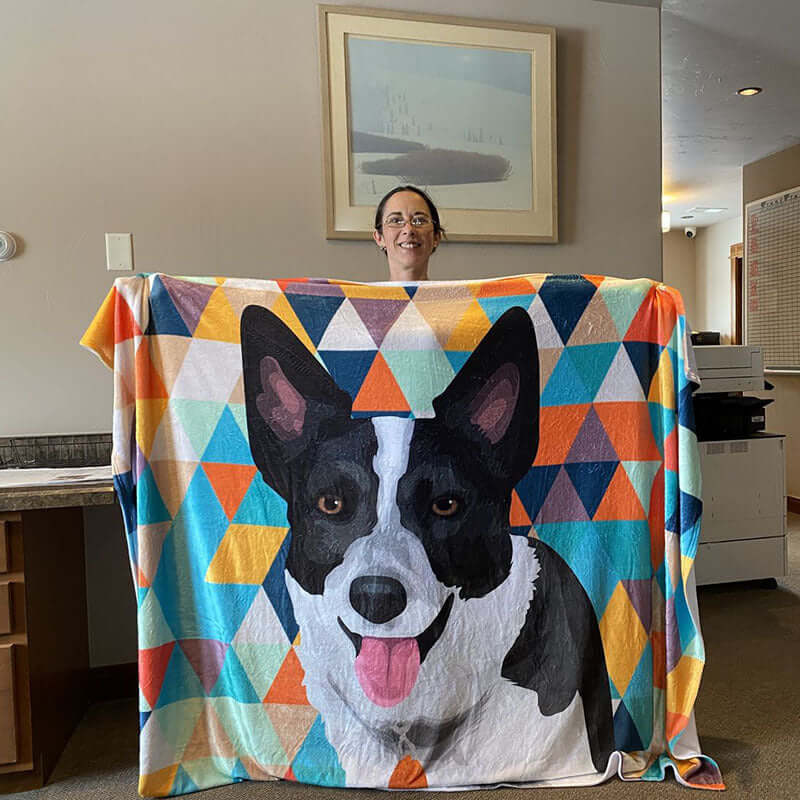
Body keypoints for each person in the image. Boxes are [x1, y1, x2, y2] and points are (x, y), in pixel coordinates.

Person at [373, 185, 444, 281]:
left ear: (436, 237)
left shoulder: (465, 296)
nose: (409, 229)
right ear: (379, 238)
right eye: (396, 220)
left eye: (419, 220)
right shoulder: (353, 296)